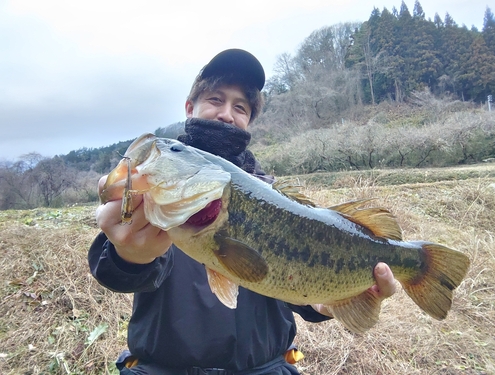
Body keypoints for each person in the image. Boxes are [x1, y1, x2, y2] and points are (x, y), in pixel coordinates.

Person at [89, 49, 397, 375]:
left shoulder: (275, 197)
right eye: (215, 99)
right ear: (189, 108)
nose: (226, 114)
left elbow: (292, 287)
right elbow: (117, 272)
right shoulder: (162, 187)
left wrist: (327, 302)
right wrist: (130, 255)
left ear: (248, 121)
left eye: (240, 107)